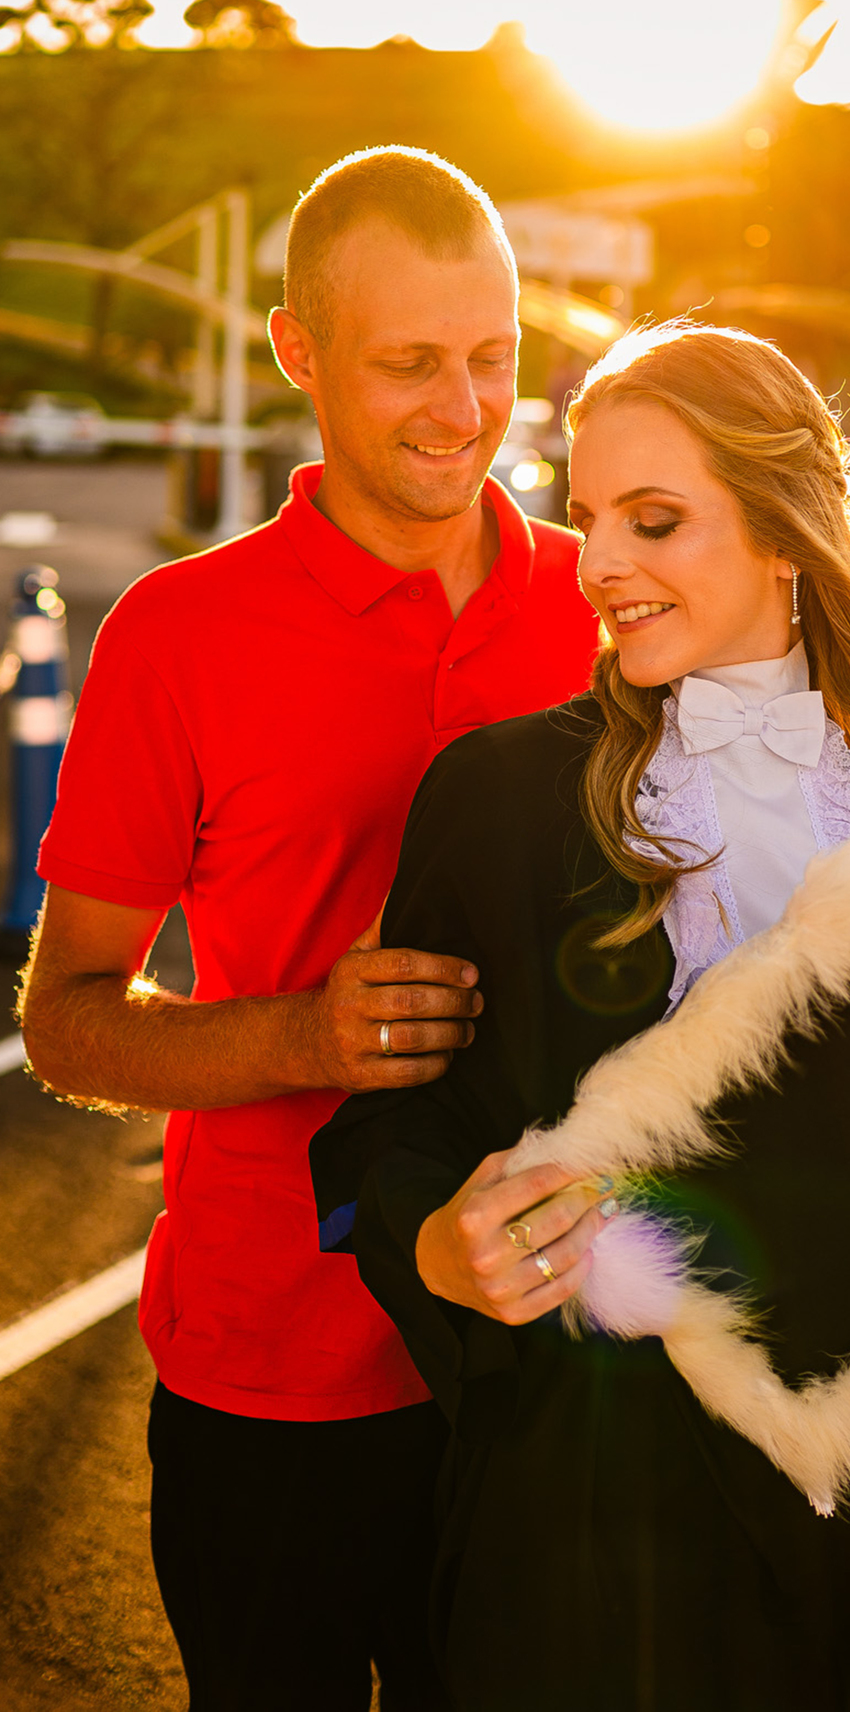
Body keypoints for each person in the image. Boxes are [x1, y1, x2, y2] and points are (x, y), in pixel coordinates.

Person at [311, 322, 850, 1712]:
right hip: (590, 1496)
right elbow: (386, 1123)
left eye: (656, 520)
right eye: (585, 516)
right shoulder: (497, 801)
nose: (597, 565)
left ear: (787, 536)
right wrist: (436, 1242)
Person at [18, 146, 603, 1711]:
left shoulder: (604, 608)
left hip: (552, 1356)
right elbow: (66, 1016)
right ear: (297, 352)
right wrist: (299, 1033)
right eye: (409, 363)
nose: (464, 409)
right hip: (271, 1373)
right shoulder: (176, 635)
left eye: (493, 359)